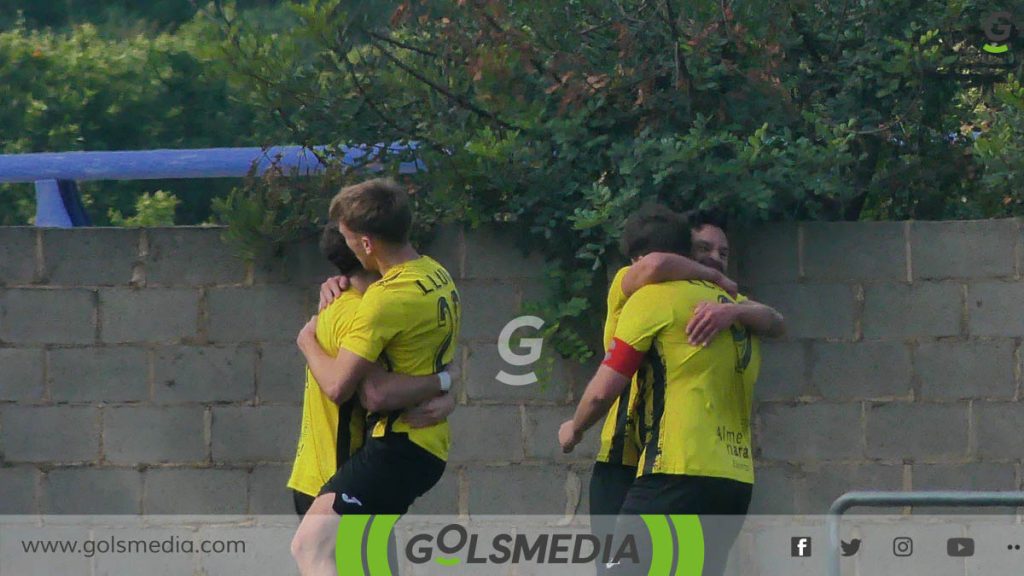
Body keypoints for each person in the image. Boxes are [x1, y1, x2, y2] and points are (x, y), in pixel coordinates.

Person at [562, 205, 781, 576]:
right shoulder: (637, 285)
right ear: (685, 251)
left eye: (723, 253)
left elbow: (602, 390)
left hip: (667, 463)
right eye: (704, 250)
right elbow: (654, 266)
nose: (715, 260)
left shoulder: (701, 305)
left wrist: (575, 428)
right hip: (645, 456)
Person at [290, 179, 460, 576]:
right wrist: (448, 381)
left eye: (348, 238)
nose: (345, 244)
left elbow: (357, 390)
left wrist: (307, 340)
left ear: (366, 244)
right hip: (418, 445)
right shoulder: (437, 275)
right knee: (361, 560)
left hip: (390, 447)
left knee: (311, 547)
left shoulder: (380, 303)